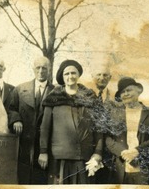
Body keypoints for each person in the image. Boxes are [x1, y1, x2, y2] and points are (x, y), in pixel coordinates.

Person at [38, 59, 104, 184]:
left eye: (73, 73)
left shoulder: (90, 97)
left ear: (78, 75)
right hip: (60, 158)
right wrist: (43, 151)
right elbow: (45, 127)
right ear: (62, 77)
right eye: (66, 74)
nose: (70, 76)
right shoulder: (53, 98)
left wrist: (98, 153)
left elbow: (99, 128)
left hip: (85, 158)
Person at [106, 77, 149, 185]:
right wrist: (123, 152)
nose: (126, 94)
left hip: (146, 168)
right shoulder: (115, 114)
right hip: (121, 168)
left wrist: (137, 151)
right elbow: (108, 139)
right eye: (123, 92)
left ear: (138, 91)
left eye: (129, 90)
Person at [8, 56, 55, 184]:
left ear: (49, 70)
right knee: (22, 177)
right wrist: (16, 120)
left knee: (41, 179)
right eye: (38, 68)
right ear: (33, 69)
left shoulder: (56, 92)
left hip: (46, 146)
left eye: (44, 68)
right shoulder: (20, 89)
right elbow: (11, 108)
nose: (40, 71)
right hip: (24, 143)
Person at [91, 63, 115, 183]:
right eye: (98, 74)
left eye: (105, 75)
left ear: (110, 77)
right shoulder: (85, 95)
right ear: (92, 76)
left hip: (109, 151)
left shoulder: (116, 98)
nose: (102, 77)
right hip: (88, 147)